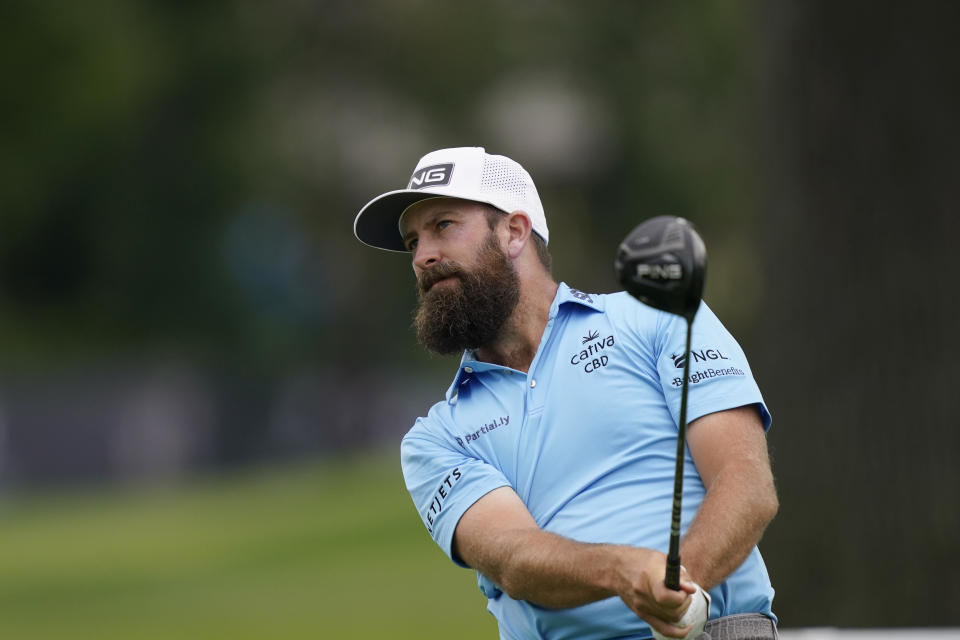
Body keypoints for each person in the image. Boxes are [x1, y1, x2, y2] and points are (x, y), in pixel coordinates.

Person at [353, 146, 779, 640]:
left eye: (444, 226)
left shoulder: (661, 316)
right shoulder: (436, 438)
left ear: (514, 231)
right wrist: (623, 572)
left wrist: (677, 591)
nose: (424, 255)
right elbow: (512, 556)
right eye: (413, 242)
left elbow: (745, 483)